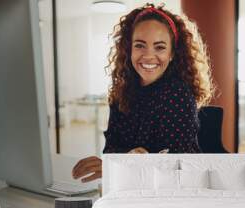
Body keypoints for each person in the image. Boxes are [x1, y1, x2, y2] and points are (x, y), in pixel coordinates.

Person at [72, 3, 215, 183]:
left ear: (172, 53)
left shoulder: (178, 94)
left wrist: (128, 162)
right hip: (133, 185)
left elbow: (176, 164)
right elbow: (111, 148)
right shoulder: (122, 91)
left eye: (160, 47)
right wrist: (124, 158)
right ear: (128, 49)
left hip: (176, 190)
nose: (148, 56)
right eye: (140, 45)